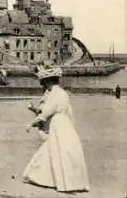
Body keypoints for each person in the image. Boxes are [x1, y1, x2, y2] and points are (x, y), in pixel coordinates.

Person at [23, 65, 90, 193]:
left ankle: (58, 181)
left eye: (45, 83)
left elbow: (45, 113)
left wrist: (31, 124)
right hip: (65, 123)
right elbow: (69, 112)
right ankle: (69, 181)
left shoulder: (55, 94)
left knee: (56, 149)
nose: (44, 86)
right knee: (63, 150)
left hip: (57, 123)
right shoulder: (63, 93)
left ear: (49, 81)